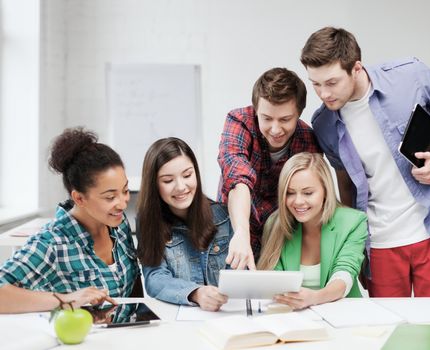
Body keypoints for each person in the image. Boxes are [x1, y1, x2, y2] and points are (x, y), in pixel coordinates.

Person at [300, 27, 430, 310]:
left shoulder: (409, 76)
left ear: (356, 68)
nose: (324, 93)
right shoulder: (323, 124)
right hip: (380, 244)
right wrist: (354, 244)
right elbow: (345, 186)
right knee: (392, 336)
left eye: (331, 82)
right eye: (316, 84)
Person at [0, 127, 140, 314]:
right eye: (110, 197)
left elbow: (133, 292)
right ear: (79, 198)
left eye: (125, 190)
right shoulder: (51, 241)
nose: (122, 203)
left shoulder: (119, 225)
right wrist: (66, 300)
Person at [218, 67, 321, 270]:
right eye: (266, 118)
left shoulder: (308, 140)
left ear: (299, 113)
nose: (275, 129)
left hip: (281, 236)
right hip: (233, 231)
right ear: (256, 110)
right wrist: (241, 232)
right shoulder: (239, 122)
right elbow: (239, 179)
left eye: (285, 120)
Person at [257, 152, 367, 310]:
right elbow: (274, 281)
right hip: (293, 319)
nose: (298, 201)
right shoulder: (276, 224)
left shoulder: (353, 222)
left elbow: (344, 275)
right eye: (290, 193)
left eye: (308, 193)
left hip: (343, 315)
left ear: (325, 191)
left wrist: (314, 298)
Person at [137, 137, 232, 312]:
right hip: (181, 322)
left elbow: (241, 273)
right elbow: (154, 278)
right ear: (154, 185)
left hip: (227, 315)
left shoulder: (223, 215)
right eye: (167, 180)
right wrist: (196, 293)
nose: (181, 187)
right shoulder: (147, 222)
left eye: (187, 175)